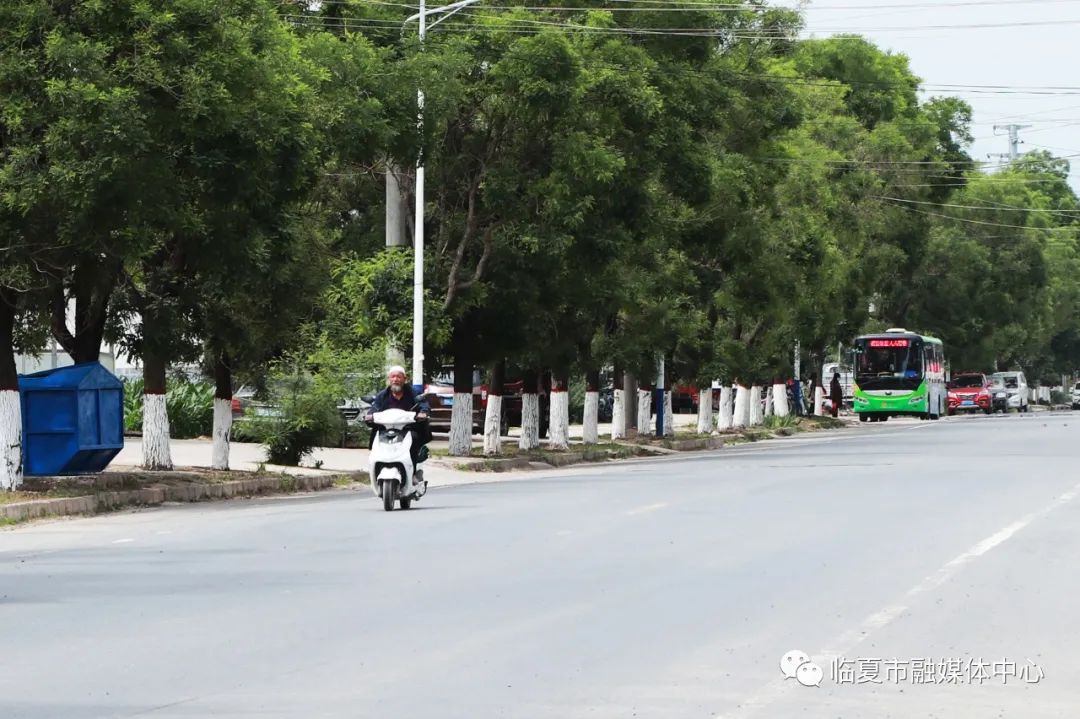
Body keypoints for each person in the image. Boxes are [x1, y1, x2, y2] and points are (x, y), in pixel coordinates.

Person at [366, 366, 431, 471]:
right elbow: (375, 408)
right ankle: (377, 470)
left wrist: (423, 413)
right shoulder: (382, 395)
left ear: (404, 379)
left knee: (413, 440)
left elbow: (423, 405)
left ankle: (412, 471)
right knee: (377, 441)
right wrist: (370, 415)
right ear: (389, 379)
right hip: (386, 429)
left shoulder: (413, 393)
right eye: (393, 377)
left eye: (399, 377)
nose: (395, 379)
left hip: (408, 429)